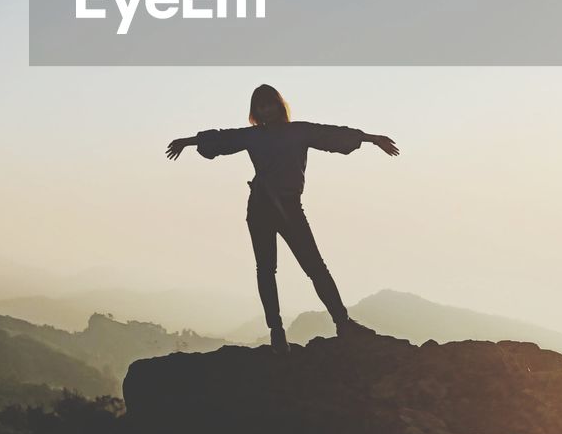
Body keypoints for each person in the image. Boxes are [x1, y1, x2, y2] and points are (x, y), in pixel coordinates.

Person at [166, 84, 399, 354]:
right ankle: (277, 333)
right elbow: (223, 138)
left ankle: (342, 323)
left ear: (279, 105)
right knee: (267, 268)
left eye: (269, 104)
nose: (266, 110)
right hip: (262, 206)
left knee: (314, 266)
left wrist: (371, 138)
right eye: (260, 106)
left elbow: (331, 134)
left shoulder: (298, 131)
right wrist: (187, 141)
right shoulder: (253, 136)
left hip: (288, 207)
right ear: (256, 111)